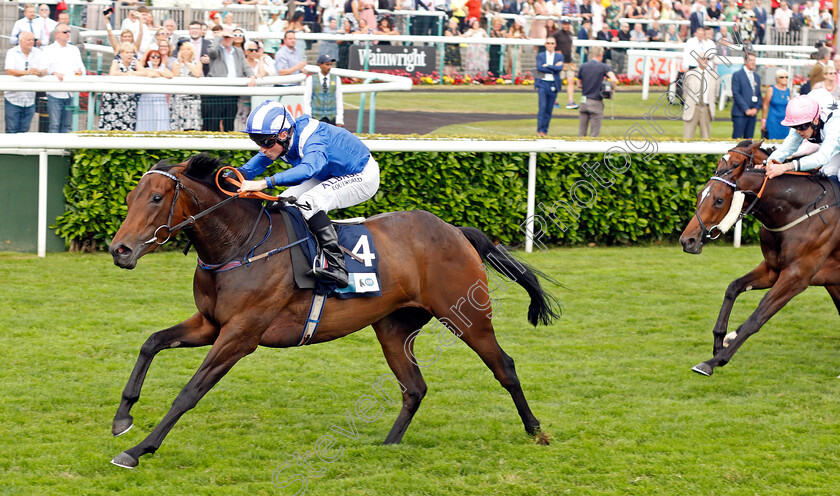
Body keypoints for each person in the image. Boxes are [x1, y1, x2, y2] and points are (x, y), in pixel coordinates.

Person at [236, 100, 381, 287]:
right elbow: (260, 161)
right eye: (258, 142)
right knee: (281, 203)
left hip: (361, 175)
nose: (262, 148)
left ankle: (337, 265)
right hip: (328, 173)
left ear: (283, 134)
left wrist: (264, 183)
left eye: (266, 142)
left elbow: (308, 170)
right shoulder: (284, 138)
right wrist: (236, 173)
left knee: (309, 202)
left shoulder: (313, 139)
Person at [763, 94, 840, 179]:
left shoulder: (834, 125)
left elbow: (822, 157)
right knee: (827, 172)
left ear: (815, 121)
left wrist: (787, 166)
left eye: (801, 126)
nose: (797, 131)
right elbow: (786, 148)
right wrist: (769, 163)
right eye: (794, 126)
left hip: (835, 140)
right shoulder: (805, 122)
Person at [206, 29, 256, 132]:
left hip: (232, 91)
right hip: (216, 92)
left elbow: (245, 66)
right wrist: (219, 36)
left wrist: (251, 75)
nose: (227, 39)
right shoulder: (217, 49)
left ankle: (228, 147)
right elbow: (211, 52)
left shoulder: (238, 51)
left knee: (229, 123)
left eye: (229, 37)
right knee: (213, 123)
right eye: (225, 37)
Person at [42, 23, 85, 133]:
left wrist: (80, 72)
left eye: (69, 31)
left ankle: (65, 149)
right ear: (57, 34)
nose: (68, 34)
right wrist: (53, 73)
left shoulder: (74, 49)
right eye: (65, 32)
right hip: (54, 93)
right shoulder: (48, 50)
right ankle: (54, 150)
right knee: (54, 125)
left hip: (70, 93)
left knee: (67, 125)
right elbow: (43, 69)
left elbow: (82, 69)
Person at [4, 31, 44, 134]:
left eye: (33, 40)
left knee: (24, 130)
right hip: (13, 98)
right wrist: (26, 73)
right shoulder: (12, 52)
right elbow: (9, 70)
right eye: (29, 40)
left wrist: (39, 72)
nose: (32, 42)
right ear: (20, 41)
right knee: (11, 129)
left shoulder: (38, 52)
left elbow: (44, 70)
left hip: (30, 98)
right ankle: (9, 150)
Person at [99, 43, 142, 131]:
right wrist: (126, 74)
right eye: (127, 52)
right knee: (111, 124)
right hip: (114, 98)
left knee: (128, 124)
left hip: (128, 100)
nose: (130, 54)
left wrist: (132, 73)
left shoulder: (135, 61)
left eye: (131, 52)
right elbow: (113, 72)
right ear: (121, 54)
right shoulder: (116, 61)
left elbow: (144, 72)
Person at [576, 46, 618, 137]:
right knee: (594, 134)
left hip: (584, 101)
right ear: (601, 55)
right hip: (596, 101)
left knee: (581, 132)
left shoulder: (583, 66)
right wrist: (611, 90)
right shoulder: (604, 67)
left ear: (591, 55)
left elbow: (578, 84)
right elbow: (614, 79)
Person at [136, 50, 173, 132]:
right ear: (149, 58)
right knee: (146, 120)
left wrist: (159, 71)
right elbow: (151, 74)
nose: (156, 59)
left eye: (158, 57)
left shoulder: (163, 68)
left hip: (160, 98)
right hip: (146, 98)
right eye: (153, 57)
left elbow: (170, 75)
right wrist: (160, 73)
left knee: (161, 120)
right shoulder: (145, 69)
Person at [303, 54, 345, 126]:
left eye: (330, 65)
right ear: (320, 65)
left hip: (331, 118)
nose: (329, 67)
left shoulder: (336, 79)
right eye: (327, 65)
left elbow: (339, 100)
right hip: (316, 118)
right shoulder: (311, 79)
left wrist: (339, 120)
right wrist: (308, 117)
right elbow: (307, 100)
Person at [682, 53, 716, 139]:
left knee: (706, 137)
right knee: (687, 137)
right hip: (693, 108)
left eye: (706, 59)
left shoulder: (714, 76)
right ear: (697, 60)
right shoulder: (689, 74)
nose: (705, 60)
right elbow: (685, 91)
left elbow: (715, 94)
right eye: (702, 58)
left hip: (706, 108)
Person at [170, 42, 203, 131]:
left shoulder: (197, 63)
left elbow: (197, 74)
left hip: (192, 97)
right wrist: (180, 62)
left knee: (191, 123)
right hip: (179, 97)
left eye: (187, 49)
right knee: (179, 123)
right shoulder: (176, 63)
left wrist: (187, 63)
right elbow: (175, 75)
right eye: (183, 49)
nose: (185, 51)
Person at [535, 37, 564, 136]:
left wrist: (547, 66)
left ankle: (545, 130)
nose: (550, 45)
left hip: (553, 84)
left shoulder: (559, 56)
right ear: (545, 44)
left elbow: (559, 68)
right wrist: (552, 68)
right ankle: (540, 130)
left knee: (549, 109)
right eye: (548, 43)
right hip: (543, 83)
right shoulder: (541, 55)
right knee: (542, 106)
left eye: (552, 43)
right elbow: (539, 67)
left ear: (555, 44)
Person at [731, 52, 762, 139]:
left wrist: (756, 108)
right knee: (737, 140)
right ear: (745, 61)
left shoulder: (756, 76)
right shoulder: (737, 75)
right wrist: (746, 109)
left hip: (752, 114)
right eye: (751, 60)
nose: (753, 62)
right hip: (740, 113)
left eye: (754, 60)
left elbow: (759, 94)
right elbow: (736, 93)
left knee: (749, 141)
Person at [552, 19, 579, 109]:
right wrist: (555, 52)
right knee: (557, 82)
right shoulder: (557, 34)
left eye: (568, 24)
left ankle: (570, 101)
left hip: (569, 61)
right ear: (562, 25)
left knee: (571, 81)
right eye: (565, 24)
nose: (566, 26)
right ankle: (554, 100)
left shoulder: (570, 34)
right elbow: (549, 43)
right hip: (559, 62)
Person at [761, 69, 791, 140]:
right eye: (782, 77)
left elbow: (790, 107)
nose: (785, 79)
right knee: (773, 140)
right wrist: (763, 120)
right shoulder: (771, 89)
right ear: (777, 79)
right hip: (773, 120)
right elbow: (765, 105)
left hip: (785, 121)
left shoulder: (789, 91)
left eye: (786, 77)